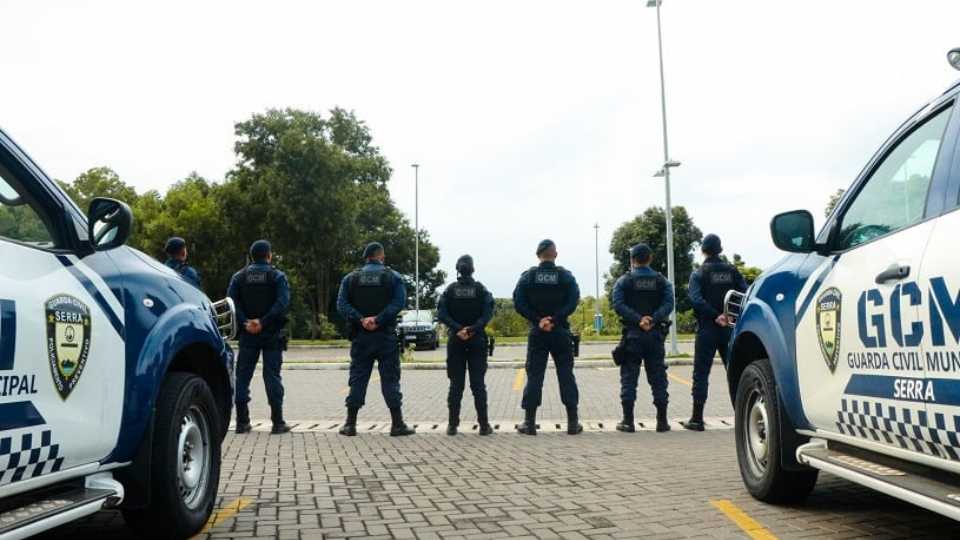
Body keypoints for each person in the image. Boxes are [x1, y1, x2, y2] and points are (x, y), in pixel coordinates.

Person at [336, 242, 415, 437]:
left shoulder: (351, 279)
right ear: (381, 256)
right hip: (385, 336)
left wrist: (361, 319)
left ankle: (350, 425)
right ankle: (397, 424)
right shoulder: (393, 277)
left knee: (358, 378)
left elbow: (342, 304)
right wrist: (378, 320)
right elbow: (398, 303)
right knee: (390, 379)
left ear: (366, 258)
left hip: (361, 337)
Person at [512, 239, 582, 436]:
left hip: (538, 332)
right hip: (560, 332)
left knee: (534, 376)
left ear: (537, 255)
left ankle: (529, 423)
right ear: (555, 254)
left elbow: (518, 302)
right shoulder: (565, 276)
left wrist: (538, 320)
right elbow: (573, 300)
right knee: (566, 375)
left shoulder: (528, 277)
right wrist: (556, 318)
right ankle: (572, 423)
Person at [684, 234, 748, 431]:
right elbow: (744, 294)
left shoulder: (699, 274)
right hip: (729, 329)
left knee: (701, 373)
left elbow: (695, 299)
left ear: (703, 250)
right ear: (720, 249)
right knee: (736, 372)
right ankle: (742, 418)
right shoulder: (732, 271)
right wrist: (728, 316)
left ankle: (697, 418)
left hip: (707, 329)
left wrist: (714, 316)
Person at [227, 240, 291, 435]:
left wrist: (246, 321)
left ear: (252, 256)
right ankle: (278, 423)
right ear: (269, 255)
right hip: (272, 334)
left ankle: (242, 422)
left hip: (247, 334)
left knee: (242, 377)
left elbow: (231, 303)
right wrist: (263, 322)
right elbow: (282, 302)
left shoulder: (239, 277)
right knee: (272, 376)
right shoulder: (277, 276)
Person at [612, 243, 675, 433]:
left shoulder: (624, 281)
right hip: (655, 335)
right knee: (658, 377)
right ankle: (662, 422)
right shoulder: (661, 281)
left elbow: (618, 304)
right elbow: (669, 304)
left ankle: (628, 421)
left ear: (632, 260)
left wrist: (639, 320)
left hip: (633, 335)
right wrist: (653, 319)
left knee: (629, 377)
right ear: (650, 258)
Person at [437, 255, 496, 436]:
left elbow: (442, 313)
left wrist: (458, 329)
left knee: (456, 385)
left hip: (456, 341)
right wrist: (472, 329)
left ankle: (452, 426)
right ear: (473, 269)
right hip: (477, 340)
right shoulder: (480, 290)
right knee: (478, 384)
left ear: (458, 270)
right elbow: (488, 313)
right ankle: (484, 426)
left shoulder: (450, 290)